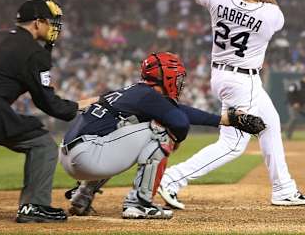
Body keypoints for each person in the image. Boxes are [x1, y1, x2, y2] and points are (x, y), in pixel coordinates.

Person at [152, 0, 305, 209]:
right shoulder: (271, 15)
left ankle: (284, 189)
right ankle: (172, 179)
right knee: (233, 145)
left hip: (222, 75)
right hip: (243, 81)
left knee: (270, 124)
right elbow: (270, 2)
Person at [60, 52, 258, 219]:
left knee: (127, 129)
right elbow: (179, 121)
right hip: (90, 155)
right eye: (177, 77)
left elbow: (180, 112)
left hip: (72, 155)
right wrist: (176, 138)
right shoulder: (149, 96)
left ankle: (82, 197)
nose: (180, 82)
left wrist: (226, 119)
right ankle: (139, 203)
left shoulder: (137, 92)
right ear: (167, 77)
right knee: (161, 129)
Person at [0, 0, 97, 223]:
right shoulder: (32, 52)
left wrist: (46, 49)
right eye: (51, 22)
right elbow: (48, 103)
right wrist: (79, 105)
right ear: (38, 23)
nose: (55, 27)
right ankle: (34, 206)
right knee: (43, 144)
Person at [285, 73, 305, 140]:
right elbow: (289, 94)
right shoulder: (296, 84)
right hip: (293, 105)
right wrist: (294, 103)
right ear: (303, 78)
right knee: (294, 118)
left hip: (304, 105)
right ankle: (288, 135)